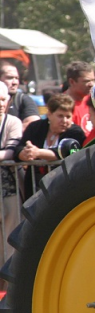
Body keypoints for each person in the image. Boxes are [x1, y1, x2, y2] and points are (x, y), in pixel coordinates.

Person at [14, 93, 85, 201]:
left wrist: (38, 153)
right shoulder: (35, 127)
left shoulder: (76, 132)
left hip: (64, 187)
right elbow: (18, 149)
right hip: (35, 188)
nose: (65, 121)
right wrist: (25, 153)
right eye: (60, 116)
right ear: (49, 114)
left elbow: (64, 152)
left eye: (68, 116)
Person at [0, 81, 22, 265]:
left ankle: (8, 290)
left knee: (10, 244)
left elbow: (11, 151)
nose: (0, 104)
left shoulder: (13, 122)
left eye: (3, 99)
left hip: (10, 192)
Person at [0, 60, 39, 129]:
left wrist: (10, 132)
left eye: (17, 78)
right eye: (10, 78)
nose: (15, 82)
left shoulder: (23, 100)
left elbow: (33, 125)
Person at [63, 61, 95, 135]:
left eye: (93, 80)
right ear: (72, 82)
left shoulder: (94, 101)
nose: (91, 84)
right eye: (86, 81)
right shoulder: (63, 105)